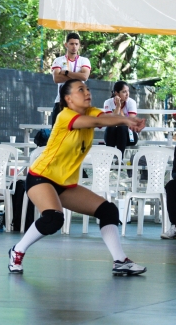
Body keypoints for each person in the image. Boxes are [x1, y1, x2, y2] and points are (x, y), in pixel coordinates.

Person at [9, 79, 147, 276]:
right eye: (80, 90)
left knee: (108, 211)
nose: (87, 92)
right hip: (41, 177)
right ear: (68, 99)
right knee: (53, 218)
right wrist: (126, 119)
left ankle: (120, 261)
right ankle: (17, 251)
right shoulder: (66, 116)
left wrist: (122, 116)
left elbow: (106, 119)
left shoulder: (91, 112)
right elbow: (100, 121)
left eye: (88, 89)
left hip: (64, 183)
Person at [50, 33, 91, 126]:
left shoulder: (84, 60)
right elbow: (56, 78)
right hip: (61, 102)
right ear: (66, 45)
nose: (74, 47)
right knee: (57, 135)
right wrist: (77, 75)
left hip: (78, 103)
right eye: (71, 44)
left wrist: (66, 73)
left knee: (76, 136)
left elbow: (85, 76)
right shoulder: (58, 60)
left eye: (76, 44)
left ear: (79, 45)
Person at [103, 81, 138, 154]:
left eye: (128, 91)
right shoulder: (108, 102)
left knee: (121, 127)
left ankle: (119, 159)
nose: (127, 94)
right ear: (116, 93)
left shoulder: (131, 102)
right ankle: (110, 157)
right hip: (112, 136)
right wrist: (118, 106)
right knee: (111, 126)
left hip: (129, 136)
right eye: (124, 92)